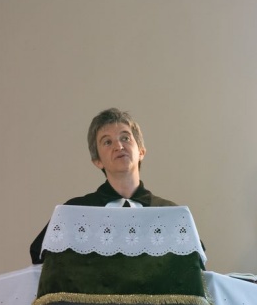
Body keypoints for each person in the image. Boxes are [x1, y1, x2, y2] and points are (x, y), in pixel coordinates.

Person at [29, 107, 180, 264]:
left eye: (125, 138)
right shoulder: (74, 212)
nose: (119, 146)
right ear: (97, 161)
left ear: (141, 152)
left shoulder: (172, 214)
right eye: (107, 142)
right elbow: (41, 259)